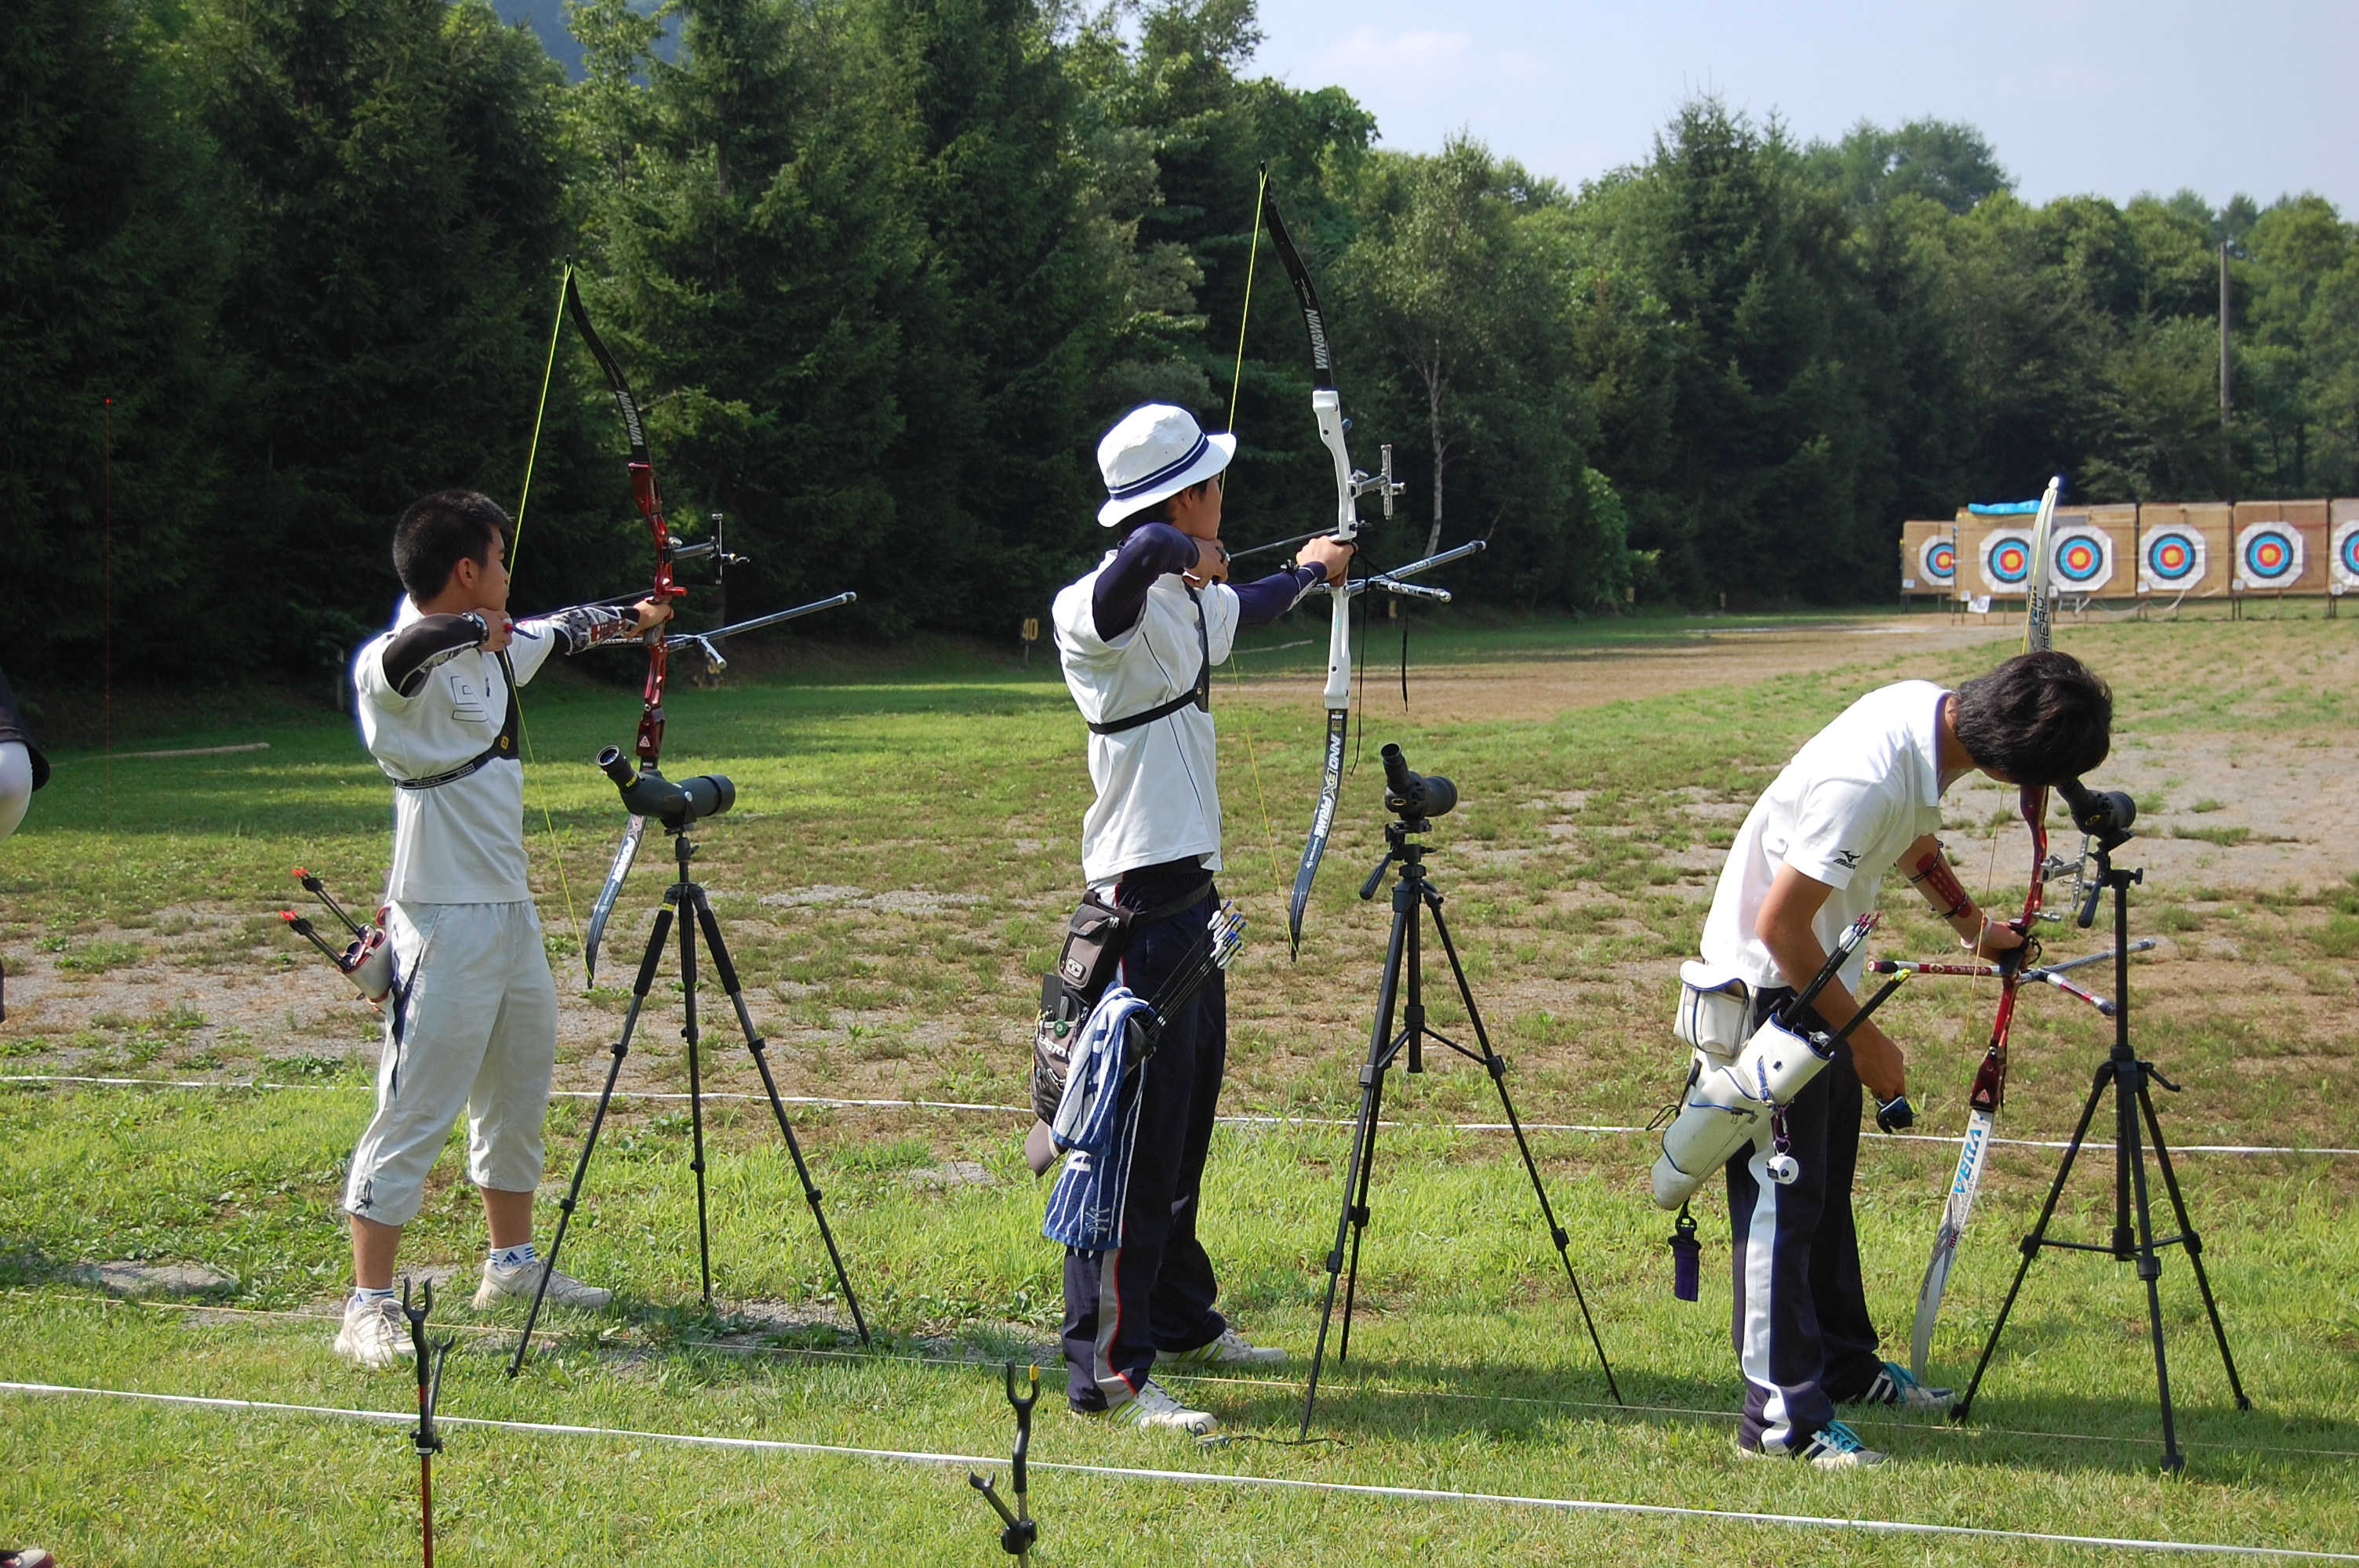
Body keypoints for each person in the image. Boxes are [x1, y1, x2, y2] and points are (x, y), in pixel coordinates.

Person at [1695, 651, 2112, 1467]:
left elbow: (1911, 843)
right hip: (1772, 993)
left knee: (1821, 1194)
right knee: (1781, 1206)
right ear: (2008, 766)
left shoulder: (1928, 716)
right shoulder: (1871, 777)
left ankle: (1842, 1366)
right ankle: (1779, 1423)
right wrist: (1865, 1040)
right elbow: (1782, 925)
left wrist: (1972, 926)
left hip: (1817, 981)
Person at [1045, 404, 1352, 1434]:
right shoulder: (1096, 606)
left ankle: (1177, 1317)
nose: (1225, 500)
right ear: (1184, 499)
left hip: (1192, 911)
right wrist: (1191, 545)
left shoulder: (1180, 598)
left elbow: (1248, 605)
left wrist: (1312, 570)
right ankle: (1106, 1375)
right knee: (1128, 1150)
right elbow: (1141, 561)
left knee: (1179, 1139)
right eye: (1211, 487)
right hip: (1135, 919)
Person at [333, 488, 672, 1370]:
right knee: (417, 1100)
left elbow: (562, 628)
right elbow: (413, 651)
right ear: (465, 570)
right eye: (498, 557)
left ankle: (511, 1264)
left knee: (519, 1083)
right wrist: (477, 632)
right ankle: (366, 1303)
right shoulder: (389, 665)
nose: (508, 574)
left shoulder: (496, 643)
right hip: (439, 913)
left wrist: (638, 618)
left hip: (508, 911)